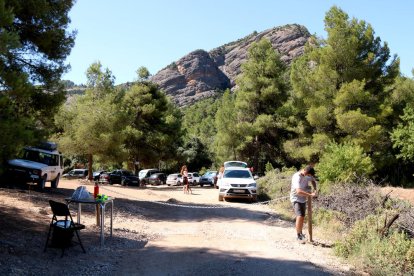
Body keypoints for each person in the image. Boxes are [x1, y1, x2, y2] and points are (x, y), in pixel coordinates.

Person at [290, 165, 317, 243]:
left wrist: (315, 189)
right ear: (306, 172)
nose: (309, 177)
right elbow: (298, 191)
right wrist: (310, 195)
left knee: (302, 216)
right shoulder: (296, 177)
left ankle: (301, 233)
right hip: (296, 198)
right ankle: (298, 236)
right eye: (309, 175)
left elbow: (313, 180)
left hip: (303, 198)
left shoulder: (307, 176)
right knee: (300, 216)